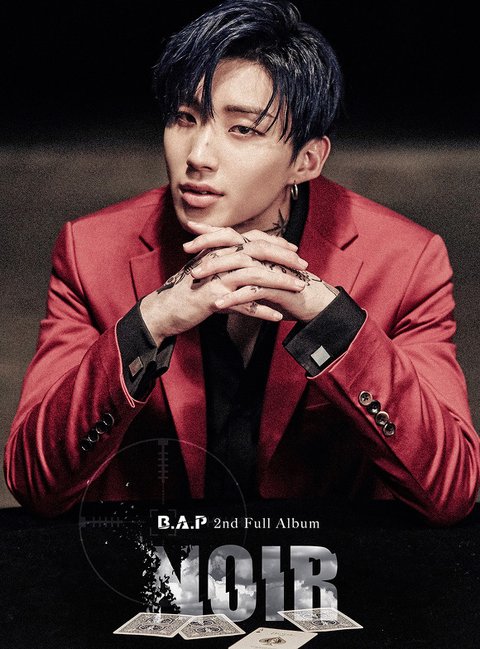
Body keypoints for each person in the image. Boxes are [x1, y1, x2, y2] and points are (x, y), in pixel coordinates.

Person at [4, 0, 479, 524]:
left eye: (243, 129)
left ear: (306, 160)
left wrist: (332, 320)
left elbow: (450, 491)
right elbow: (35, 483)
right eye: (185, 119)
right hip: (159, 565)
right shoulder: (91, 251)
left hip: (324, 567)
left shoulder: (406, 261)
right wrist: (149, 323)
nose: (198, 155)